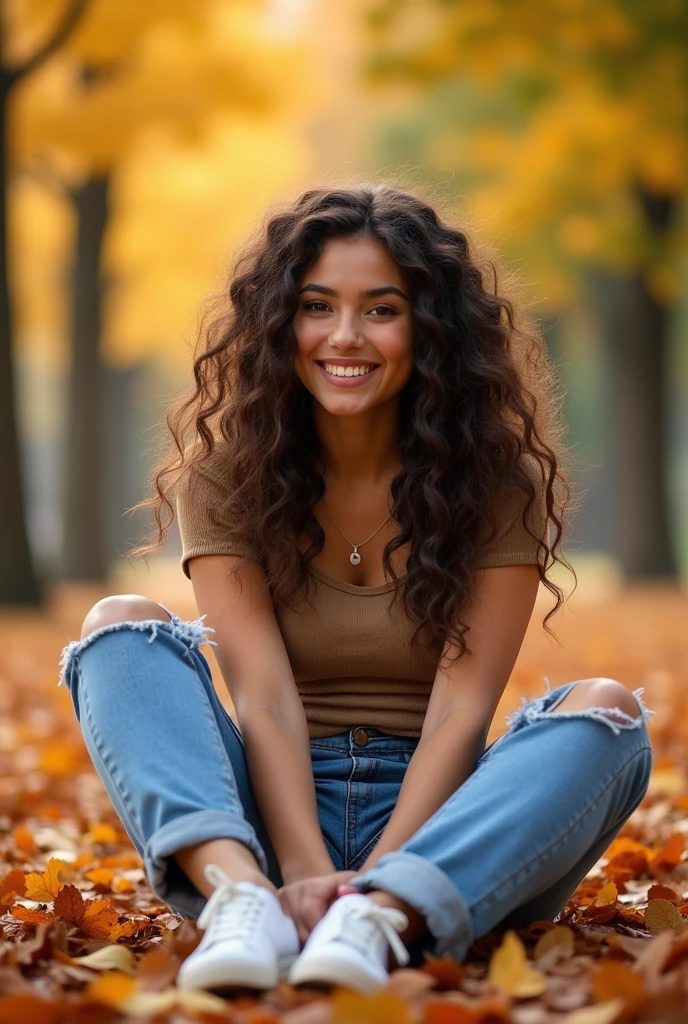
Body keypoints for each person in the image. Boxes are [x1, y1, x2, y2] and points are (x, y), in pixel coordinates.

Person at [59, 184, 653, 995]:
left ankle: (384, 918)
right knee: (117, 627)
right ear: (280, 323)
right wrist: (299, 866)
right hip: (268, 817)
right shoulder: (226, 476)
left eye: (381, 309)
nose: (345, 336)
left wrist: (370, 884)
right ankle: (243, 900)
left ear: (431, 330)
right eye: (316, 306)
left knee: (609, 714)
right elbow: (261, 697)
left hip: (450, 835)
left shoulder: (498, 484)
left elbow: (459, 709)